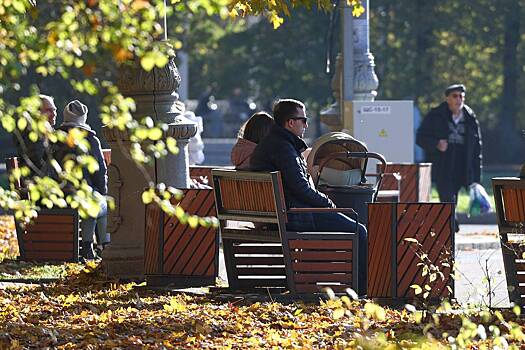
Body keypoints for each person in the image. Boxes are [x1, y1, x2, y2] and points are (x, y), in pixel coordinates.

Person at [250, 99, 368, 295]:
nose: (306, 124)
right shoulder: (283, 148)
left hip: (281, 214)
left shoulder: (272, 144)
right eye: (303, 120)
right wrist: (328, 203)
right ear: (290, 123)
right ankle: (362, 290)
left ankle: (317, 281)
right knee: (359, 230)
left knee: (345, 224)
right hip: (295, 215)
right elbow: (301, 188)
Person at [416, 84, 482, 231]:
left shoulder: (470, 117)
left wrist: (476, 178)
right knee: (446, 195)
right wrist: (436, 144)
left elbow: (477, 148)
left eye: (461, 96)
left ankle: (450, 222)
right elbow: (420, 138)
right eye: (455, 96)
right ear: (447, 99)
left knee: (454, 196)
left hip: (462, 164)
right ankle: (451, 223)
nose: (459, 99)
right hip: (443, 164)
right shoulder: (436, 115)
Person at [53, 100, 109, 259]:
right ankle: (102, 246)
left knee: (93, 203)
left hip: (59, 195)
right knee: (102, 205)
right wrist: (102, 191)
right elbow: (100, 171)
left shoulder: (56, 138)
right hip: (83, 194)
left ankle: (89, 247)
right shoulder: (90, 139)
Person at [14, 94, 57, 176]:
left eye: (54, 110)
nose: (54, 114)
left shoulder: (52, 135)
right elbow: (38, 164)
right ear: (37, 113)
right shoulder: (30, 136)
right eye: (49, 110)